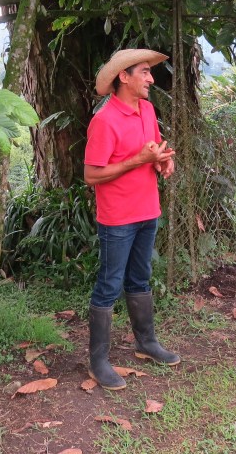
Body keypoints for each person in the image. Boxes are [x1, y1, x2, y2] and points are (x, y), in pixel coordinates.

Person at [84, 48, 180, 390]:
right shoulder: (104, 120)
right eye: (144, 72)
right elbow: (91, 175)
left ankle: (146, 342)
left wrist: (163, 161)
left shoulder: (147, 110)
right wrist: (137, 160)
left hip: (147, 210)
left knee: (140, 278)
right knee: (110, 284)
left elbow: (151, 151)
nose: (151, 78)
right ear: (123, 76)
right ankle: (98, 360)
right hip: (117, 218)